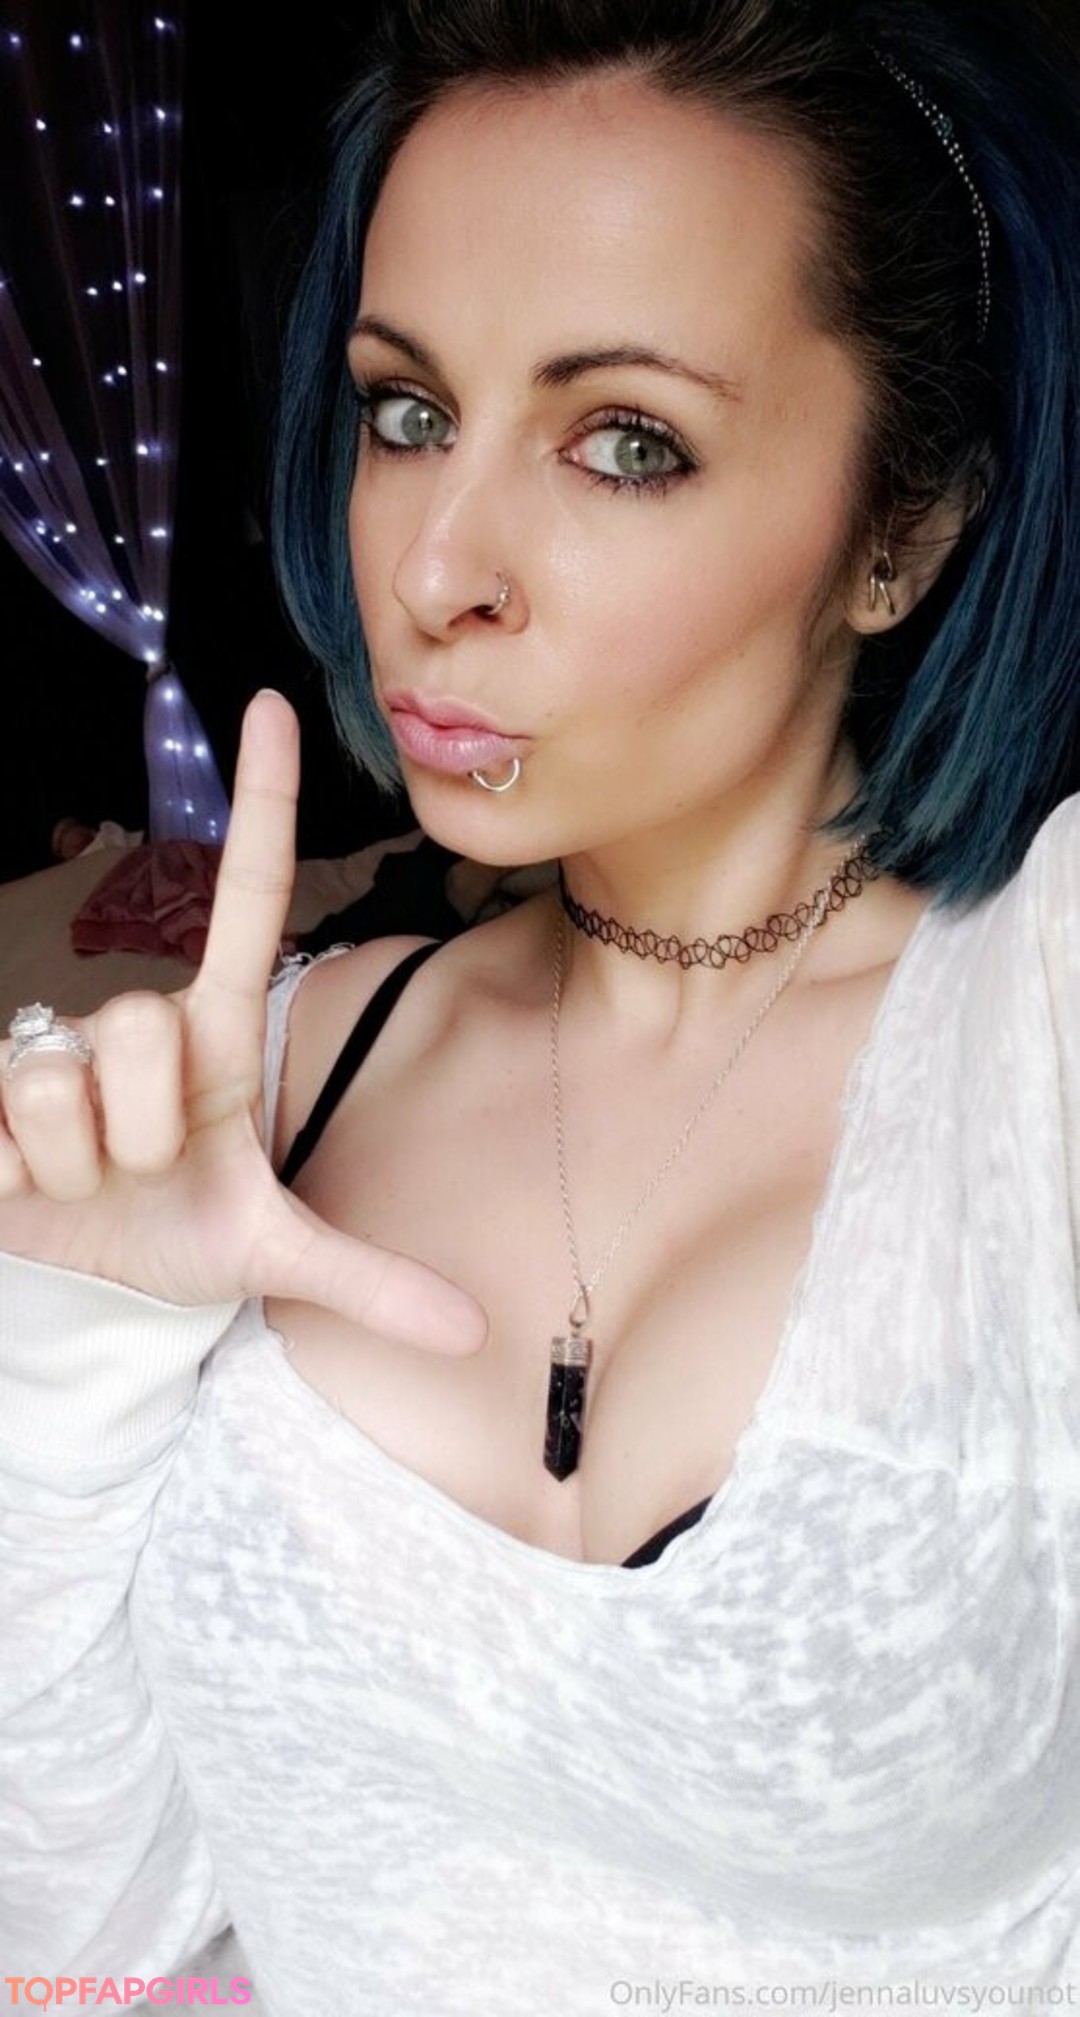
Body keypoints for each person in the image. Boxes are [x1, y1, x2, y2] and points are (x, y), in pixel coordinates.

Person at [2, 0, 1079, 2006]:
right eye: (407, 412)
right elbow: (92, 1921)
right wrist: (72, 1335)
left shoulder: (1037, 1029)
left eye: (625, 442)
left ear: (904, 528)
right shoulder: (283, 1075)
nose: (438, 568)